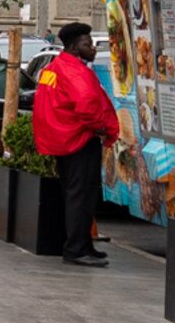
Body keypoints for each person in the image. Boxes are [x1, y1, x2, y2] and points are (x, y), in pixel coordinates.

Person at [31, 23, 120, 266]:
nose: (93, 48)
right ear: (73, 47)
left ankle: (83, 244)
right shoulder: (76, 73)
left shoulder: (54, 68)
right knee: (81, 196)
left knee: (75, 194)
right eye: (87, 44)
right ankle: (76, 249)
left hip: (64, 140)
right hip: (79, 141)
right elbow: (87, 107)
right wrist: (102, 129)